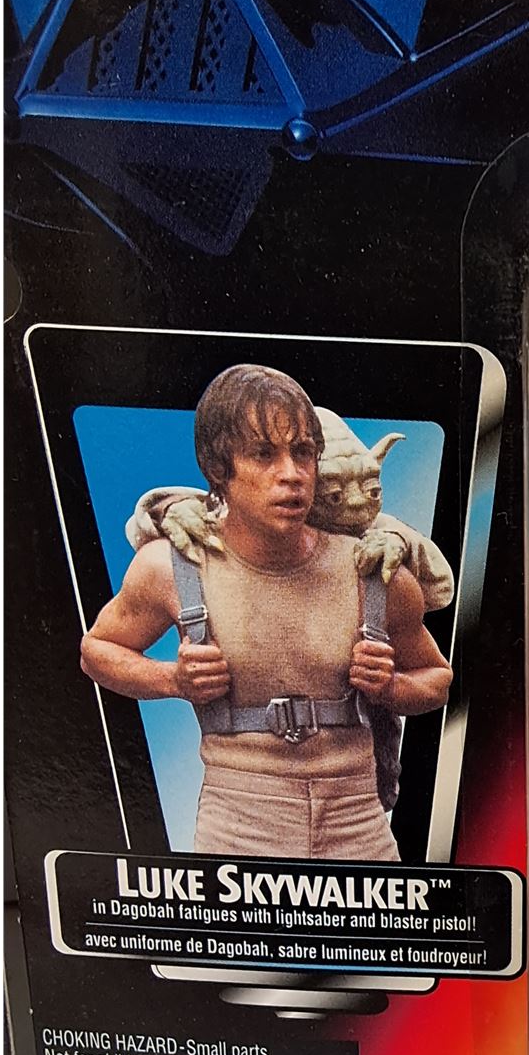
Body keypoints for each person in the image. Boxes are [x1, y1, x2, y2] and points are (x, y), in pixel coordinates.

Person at [81, 365, 452, 860]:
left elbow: (437, 678)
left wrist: (390, 688)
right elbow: (97, 651)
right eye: (263, 454)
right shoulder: (172, 566)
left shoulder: (371, 569)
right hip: (238, 825)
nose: (291, 474)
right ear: (219, 468)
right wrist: (174, 680)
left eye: (303, 453)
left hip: (357, 824)